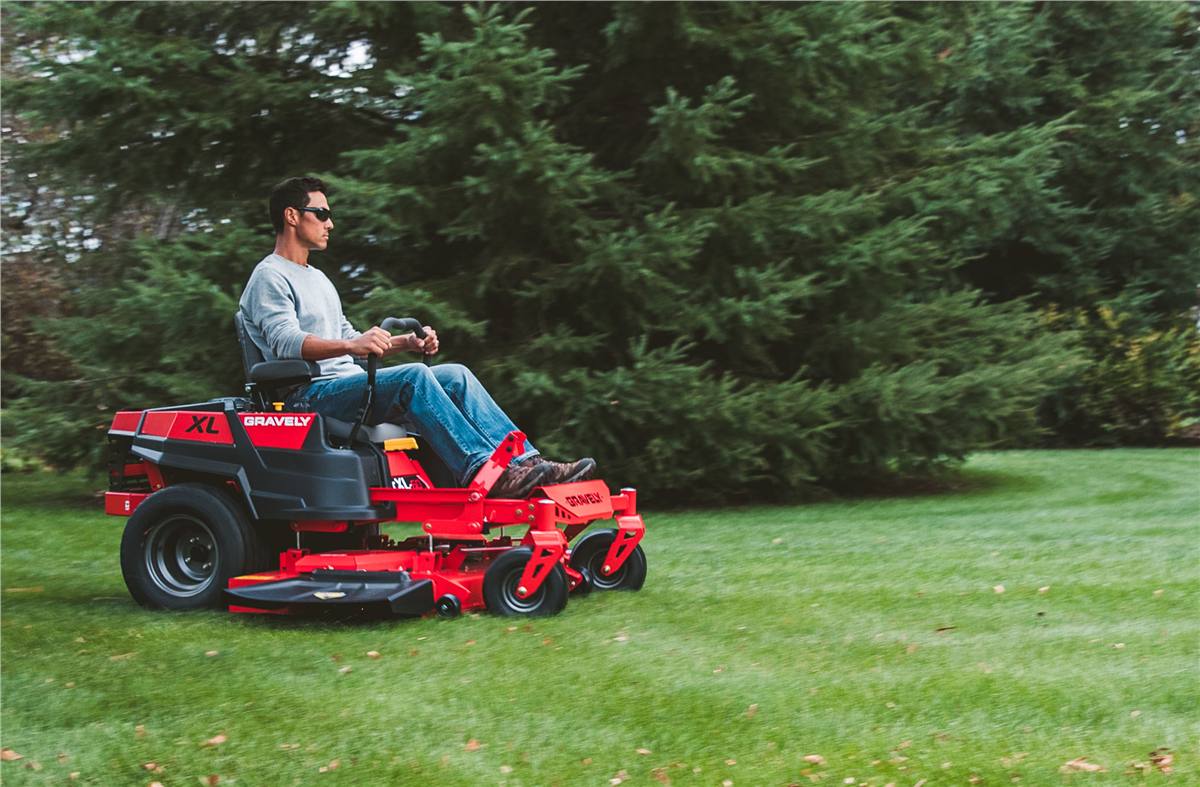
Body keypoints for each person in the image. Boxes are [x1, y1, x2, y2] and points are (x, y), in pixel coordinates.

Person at [239, 176, 595, 498]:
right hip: (308, 397)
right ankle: (486, 474)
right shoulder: (269, 276)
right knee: (415, 377)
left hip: (347, 384)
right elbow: (287, 343)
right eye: (321, 213)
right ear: (291, 216)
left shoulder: (317, 278)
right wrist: (351, 346)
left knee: (455, 374)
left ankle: (530, 466)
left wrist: (404, 343)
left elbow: (347, 337)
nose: (330, 223)